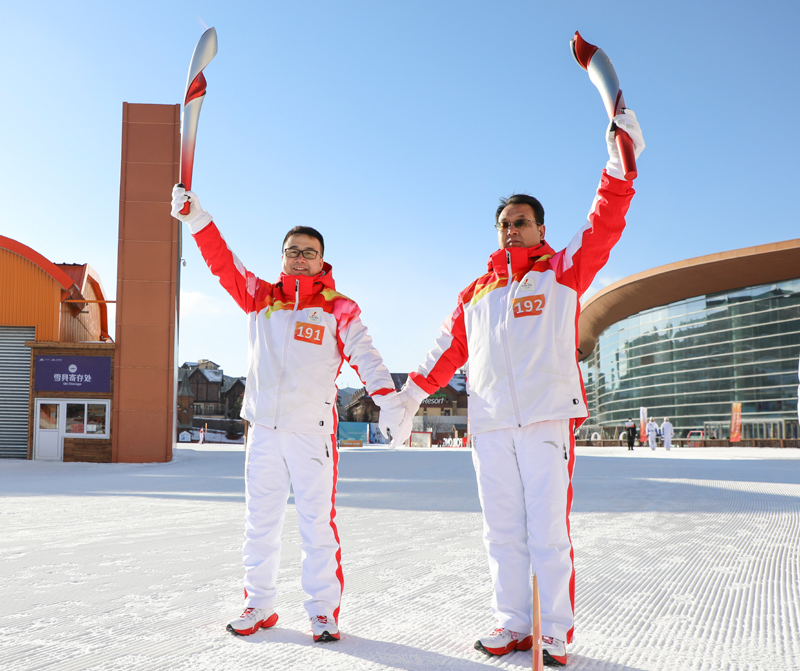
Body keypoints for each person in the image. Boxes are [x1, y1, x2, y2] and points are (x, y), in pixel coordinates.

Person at [394, 110, 644, 666]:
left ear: (540, 230)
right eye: (505, 222)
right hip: (489, 423)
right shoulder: (477, 292)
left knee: (548, 531)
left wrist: (618, 166)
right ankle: (513, 623)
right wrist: (410, 394)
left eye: (522, 221)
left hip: (545, 418)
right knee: (501, 531)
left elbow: (605, 223)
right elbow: (446, 350)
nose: (513, 229)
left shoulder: (561, 271)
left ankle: (553, 630)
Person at [171, 187, 406, 643]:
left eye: (309, 253)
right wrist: (196, 217)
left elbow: (369, 358)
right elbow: (223, 262)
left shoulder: (339, 308)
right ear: (282, 258)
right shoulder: (261, 297)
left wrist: (389, 400)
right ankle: (258, 604)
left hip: (310, 434)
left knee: (317, 524)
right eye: (292, 252)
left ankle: (323, 612)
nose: (300, 259)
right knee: (260, 522)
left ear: (322, 261)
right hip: (263, 431)